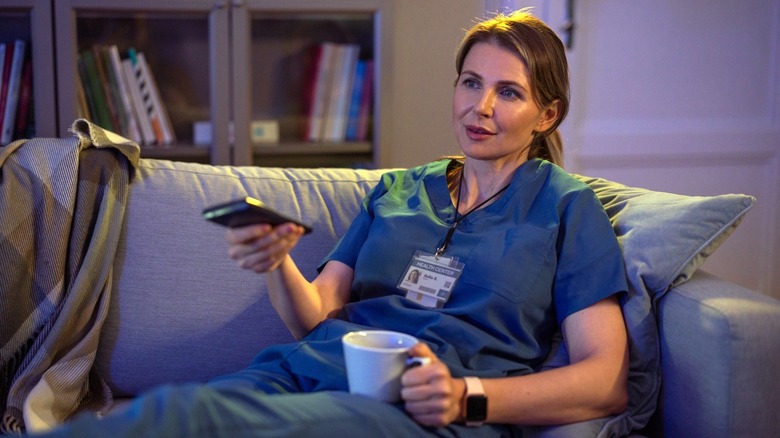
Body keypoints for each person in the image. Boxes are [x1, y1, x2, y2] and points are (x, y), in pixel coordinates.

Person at [36, 9, 628, 437]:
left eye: (509, 93)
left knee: (189, 421)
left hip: (408, 408)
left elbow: (605, 381)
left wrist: (467, 399)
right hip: (301, 370)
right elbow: (313, 316)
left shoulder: (566, 207)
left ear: (547, 114)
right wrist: (276, 261)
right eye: (471, 83)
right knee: (169, 414)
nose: (482, 107)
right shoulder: (398, 189)